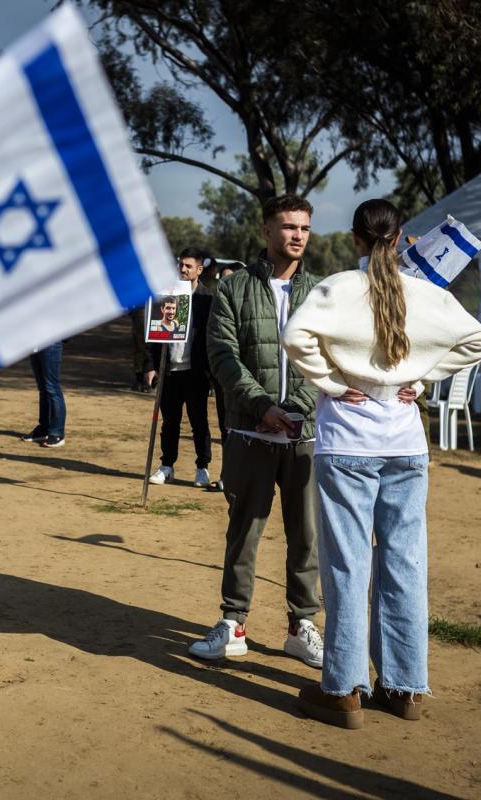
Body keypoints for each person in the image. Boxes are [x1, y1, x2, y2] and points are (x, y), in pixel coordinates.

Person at [282, 198, 481, 728]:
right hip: (405, 443)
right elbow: (480, 340)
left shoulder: (337, 288)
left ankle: (343, 690)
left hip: (348, 442)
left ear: (355, 238)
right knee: (404, 562)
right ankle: (404, 688)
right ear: (400, 239)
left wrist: (334, 383)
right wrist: (419, 378)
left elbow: (294, 337)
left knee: (347, 565)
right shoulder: (426, 293)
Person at [191, 194, 325, 669]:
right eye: (288, 227)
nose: (297, 236)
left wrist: (298, 407)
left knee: (306, 535)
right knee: (243, 531)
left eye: (304, 228)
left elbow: (329, 358)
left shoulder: (323, 293)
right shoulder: (233, 289)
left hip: (305, 435)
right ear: (266, 231)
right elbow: (223, 356)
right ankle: (233, 624)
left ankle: (302, 626)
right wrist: (263, 407)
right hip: (250, 432)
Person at [147, 248, 214, 488]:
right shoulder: (167, 295)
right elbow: (152, 334)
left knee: (199, 422)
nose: (183, 269)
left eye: (188, 266)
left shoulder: (207, 299)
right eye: (181, 265)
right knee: (170, 423)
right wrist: (152, 366)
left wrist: (210, 371)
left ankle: (202, 467)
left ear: (199, 270)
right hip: (169, 371)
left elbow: (213, 337)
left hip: (195, 373)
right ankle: (167, 466)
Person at [21, 341, 66, 448]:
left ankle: (57, 433)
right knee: (43, 388)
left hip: (51, 343)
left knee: (52, 388)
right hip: (35, 342)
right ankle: (44, 429)